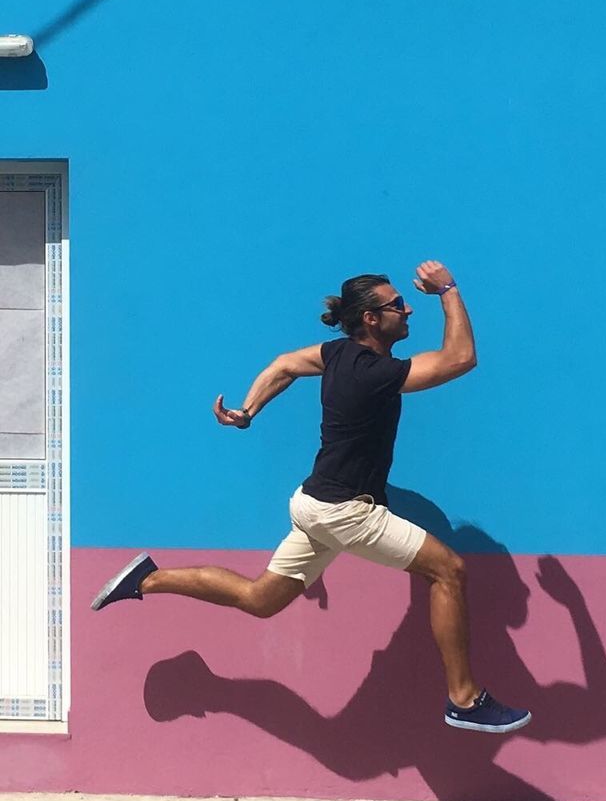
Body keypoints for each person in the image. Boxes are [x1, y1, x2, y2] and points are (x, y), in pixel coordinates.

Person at [92, 261, 531, 734]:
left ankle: (148, 580)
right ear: (370, 318)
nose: (408, 310)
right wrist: (447, 289)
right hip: (342, 510)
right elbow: (461, 357)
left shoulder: (337, 354)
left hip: (313, 503)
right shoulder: (372, 372)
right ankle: (464, 699)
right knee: (448, 570)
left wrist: (249, 410)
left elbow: (284, 365)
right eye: (397, 305)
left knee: (260, 599)